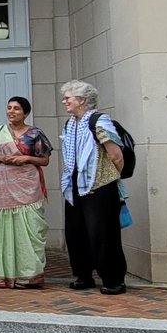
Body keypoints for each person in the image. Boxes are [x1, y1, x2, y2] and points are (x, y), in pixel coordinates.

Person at [60, 80, 128, 295]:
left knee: (103, 233)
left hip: (99, 185)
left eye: (68, 98)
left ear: (81, 100)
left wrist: (106, 178)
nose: (64, 101)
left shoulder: (100, 121)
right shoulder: (70, 124)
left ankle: (113, 279)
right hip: (75, 185)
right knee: (76, 232)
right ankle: (84, 275)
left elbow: (116, 156)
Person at [0, 97, 53, 288]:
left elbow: (44, 160)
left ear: (26, 113)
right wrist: (1, 158)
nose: (11, 111)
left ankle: (28, 274)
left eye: (17, 109)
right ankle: (1, 275)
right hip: (3, 186)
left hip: (27, 185)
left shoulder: (35, 133)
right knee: (4, 227)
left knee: (30, 227)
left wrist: (25, 158)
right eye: (9, 108)